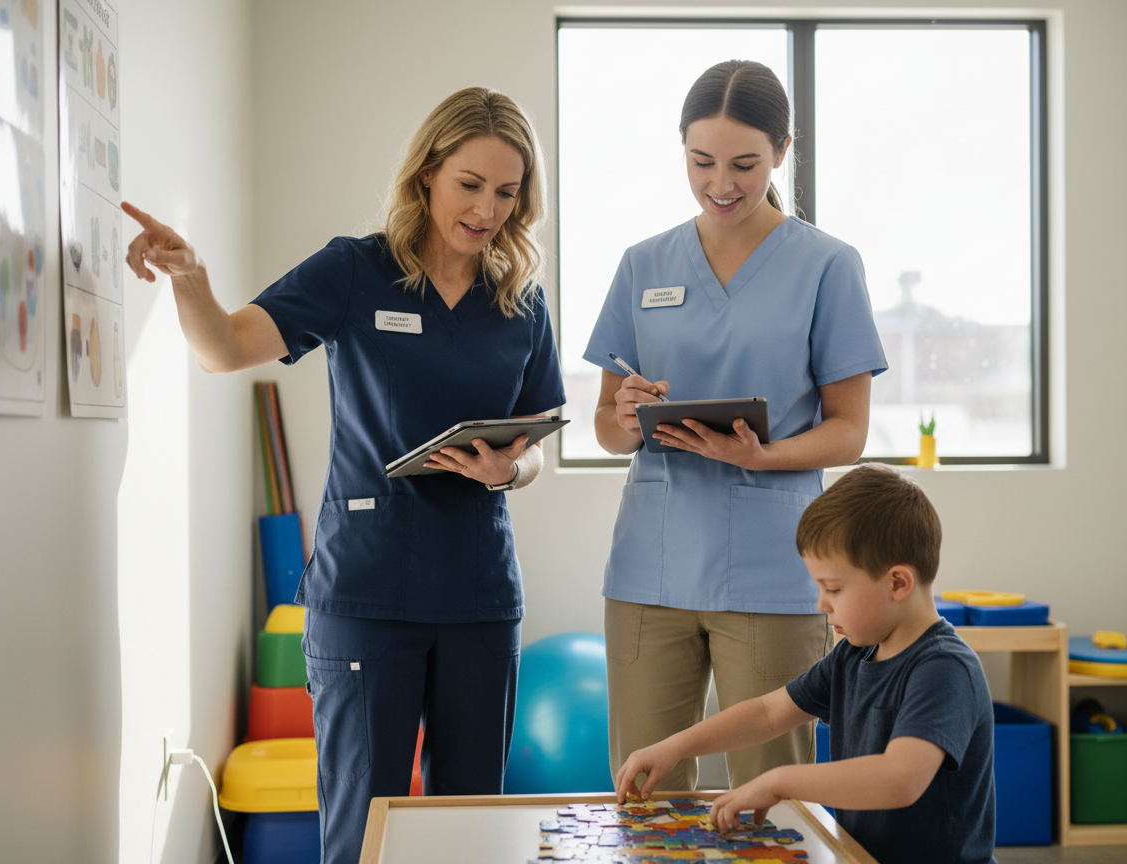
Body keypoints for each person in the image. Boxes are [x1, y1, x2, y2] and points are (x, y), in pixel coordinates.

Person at [122, 87, 566, 864]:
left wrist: (510, 468)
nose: (488, 209)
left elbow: (539, 444)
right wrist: (190, 277)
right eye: (470, 184)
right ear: (427, 173)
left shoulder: (519, 301)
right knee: (363, 834)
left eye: (507, 191)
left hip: (479, 595)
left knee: (470, 837)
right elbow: (224, 347)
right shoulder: (356, 271)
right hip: (367, 590)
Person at [586, 58, 889, 792]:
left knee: (770, 793)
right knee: (645, 791)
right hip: (649, 570)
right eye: (702, 162)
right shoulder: (642, 263)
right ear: (682, 151)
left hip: (772, 568)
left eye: (745, 164)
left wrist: (762, 456)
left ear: (783, 151)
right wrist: (626, 415)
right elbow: (604, 424)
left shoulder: (827, 266)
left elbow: (849, 431)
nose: (721, 183)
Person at [615, 463, 997, 864]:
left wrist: (779, 780)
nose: (821, 604)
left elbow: (900, 779)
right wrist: (674, 747)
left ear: (898, 582)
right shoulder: (854, 653)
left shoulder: (945, 668)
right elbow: (768, 712)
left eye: (833, 588)